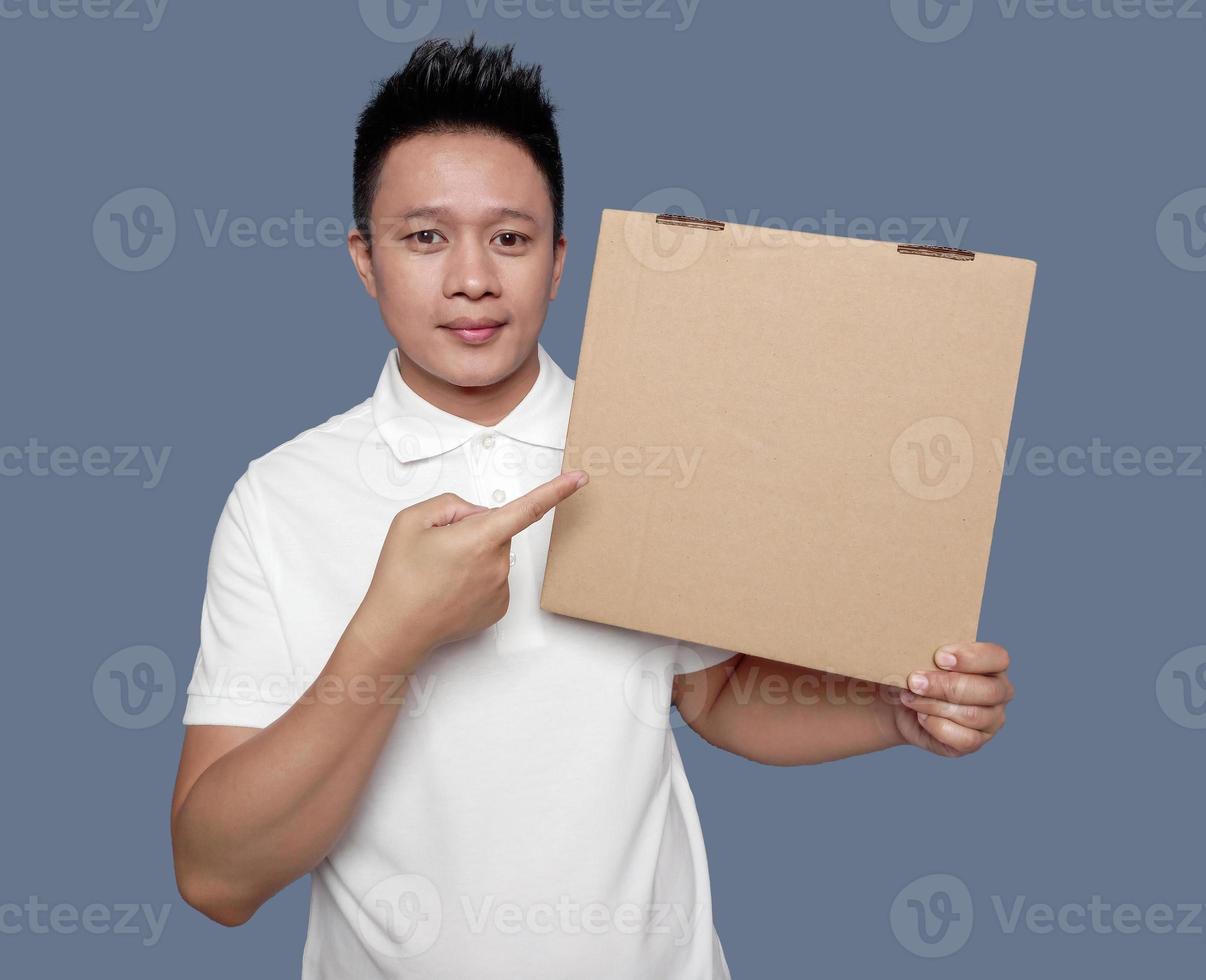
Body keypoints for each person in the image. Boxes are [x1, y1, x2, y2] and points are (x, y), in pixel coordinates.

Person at [169, 33, 1014, 979]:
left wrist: (894, 710)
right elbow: (215, 876)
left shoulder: (655, 443)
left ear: (559, 260)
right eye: (423, 237)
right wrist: (390, 636)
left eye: (511, 238)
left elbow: (720, 694)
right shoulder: (281, 499)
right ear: (365, 260)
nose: (472, 278)